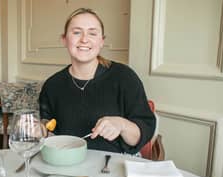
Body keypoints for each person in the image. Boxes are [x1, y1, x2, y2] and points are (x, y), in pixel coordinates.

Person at [39, 8, 156, 154]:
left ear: (101, 41)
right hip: (67, 165)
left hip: (114, 167)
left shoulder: (124, 77)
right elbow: (48, 130)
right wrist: (39, 130)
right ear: (64, 39)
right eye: (76, 32)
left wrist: (122, 125)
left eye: (92, 33)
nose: (84, 39)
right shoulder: (52, 85)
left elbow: (142, 134)